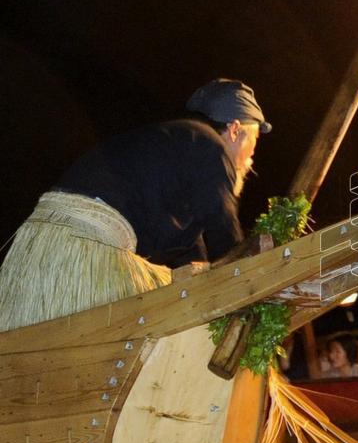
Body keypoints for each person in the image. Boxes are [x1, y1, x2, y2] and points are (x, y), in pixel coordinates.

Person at [0, 78, 269, 332]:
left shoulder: (177, 145)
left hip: (49, 236)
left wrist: (201, 279)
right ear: (235, 130)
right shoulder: (211, 145)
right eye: (253, 145)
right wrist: (247, 286)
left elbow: (190, 250)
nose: (252, 160)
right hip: (89, 237)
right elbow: (224, 226)